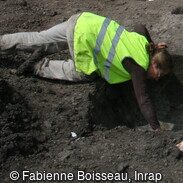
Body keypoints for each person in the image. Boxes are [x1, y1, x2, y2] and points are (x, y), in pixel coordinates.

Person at [0, 12, 172, 130]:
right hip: (83, 38)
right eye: (159, 74)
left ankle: (2, 42)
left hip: (83, 20)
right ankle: (38, 66)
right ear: (154, 65)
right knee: (85, 72)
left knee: (39, 39)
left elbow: (140, 26)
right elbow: (143, 99)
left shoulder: (142, 42)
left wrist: (154, 43)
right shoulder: (138, 66)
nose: (157, 79)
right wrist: (156, 127)